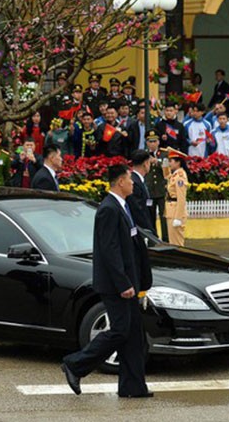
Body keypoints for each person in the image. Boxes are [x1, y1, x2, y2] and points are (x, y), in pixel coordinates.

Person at [61, 164, 152, 398]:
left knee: (133, 335)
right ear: (120, 182)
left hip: (129, 281)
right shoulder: (108, 209)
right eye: (130, 179)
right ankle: (75, 364)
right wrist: (123, 284)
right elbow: (109, 250)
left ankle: (133, 387)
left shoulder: (123, 206)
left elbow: (130, 245)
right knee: (120, 331)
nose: (133, 183)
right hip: (116, 285)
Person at [145, 132, 168, 242]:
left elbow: (167, 169)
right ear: (147, 143)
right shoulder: (144, 155)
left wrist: (157, 162)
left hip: (161, 190)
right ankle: (153, 239)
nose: (152, 144)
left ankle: (166, 239)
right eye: (150, 141)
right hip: (150, 191)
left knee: (164, 216)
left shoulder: (164, 154)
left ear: (158, 142)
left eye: (154, 141)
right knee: (150, 217)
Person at [164, 148, 189, 246]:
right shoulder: (174, 175)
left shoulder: (180, 177)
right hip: (171, 210)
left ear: (178, 162)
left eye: (171, 161)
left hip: (176, 212)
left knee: (177, 243)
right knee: (172, 241)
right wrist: (165, 166)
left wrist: (178, 217)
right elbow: (166, 177)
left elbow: (181, 198)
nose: (169, 163)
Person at [127, 150, 155, 233]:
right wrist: (149, 230)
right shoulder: (134, 183)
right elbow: (138, 210)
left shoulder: (139, 180)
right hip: (141, 230)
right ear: (145, 163)